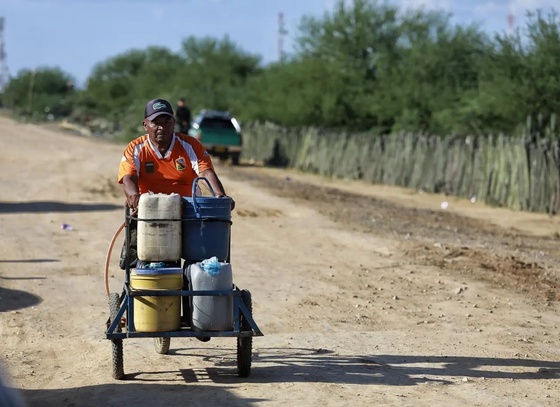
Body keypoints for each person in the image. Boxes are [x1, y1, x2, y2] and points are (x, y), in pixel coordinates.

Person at [117, 98, 234, 270]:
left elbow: (206, 172)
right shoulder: (136, 147)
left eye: (167, 121)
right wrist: (134, 196)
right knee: (137, 260)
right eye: (156, 122)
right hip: (150, 211)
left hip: (187, 210)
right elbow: (129, 177)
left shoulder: (190, 145)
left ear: (174, 122)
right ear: (145, 124)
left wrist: (220, 195)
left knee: (201, 260)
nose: (162, 127)